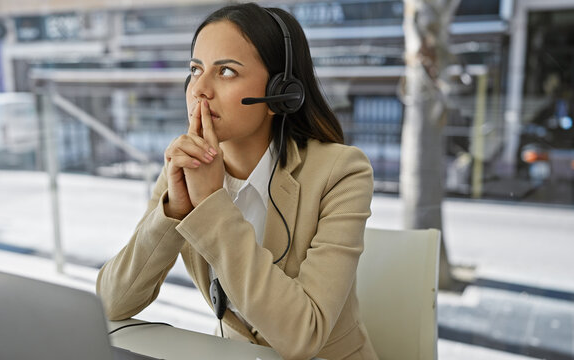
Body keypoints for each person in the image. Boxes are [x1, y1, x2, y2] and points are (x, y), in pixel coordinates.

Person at [97, 3, 377, 359]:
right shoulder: (183, 169)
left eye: (226, 71)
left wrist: (212, 205)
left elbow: (303, 336)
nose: (199, 89)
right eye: (195, 69)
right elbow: (110, 303)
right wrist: (173, 213)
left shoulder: (342, 172)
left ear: (282, 92)